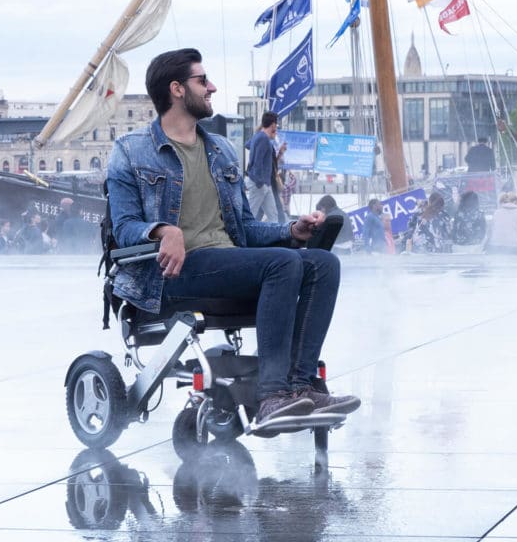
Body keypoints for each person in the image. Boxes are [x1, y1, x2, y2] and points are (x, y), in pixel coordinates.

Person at [106, 48, 359, 425]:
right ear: (176, 89)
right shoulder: (131, 151)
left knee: (323, 263)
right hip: (172, 274)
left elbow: (244, 227)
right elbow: (123, 227)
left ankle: (301, 385)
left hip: (230, 263)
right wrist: (162, 230)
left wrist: (291, 229)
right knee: (283, 263)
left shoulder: (221, 150)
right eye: (202, 81)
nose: (212, 88)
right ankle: (272, 395)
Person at [245, 111, 287, 223]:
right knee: (251, 214)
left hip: (264, 183)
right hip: (260, 183)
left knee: (273, 214)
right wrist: (260, 183)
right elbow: (257, 162)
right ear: (273, 124)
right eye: (276, 125)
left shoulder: (259, 137)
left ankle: (277, 236)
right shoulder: (263, 139)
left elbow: (248, 145)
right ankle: (243, 238)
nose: (276, 128)